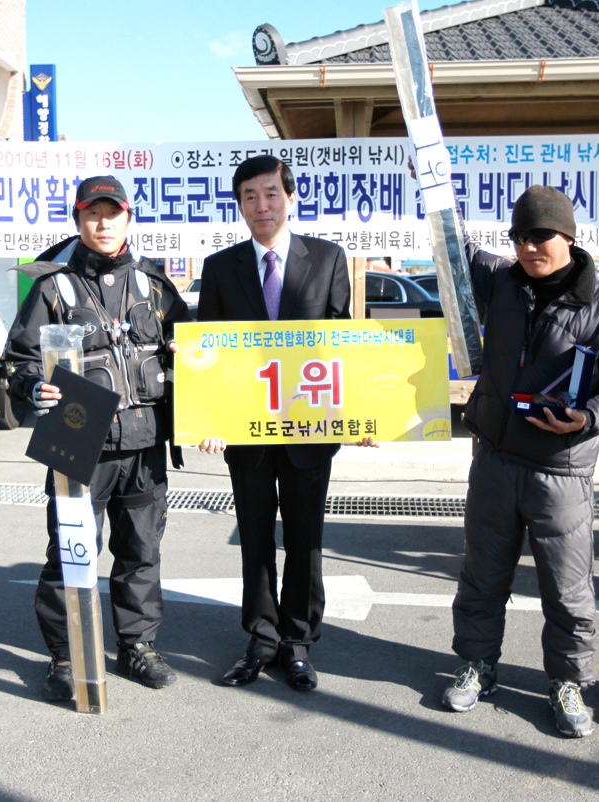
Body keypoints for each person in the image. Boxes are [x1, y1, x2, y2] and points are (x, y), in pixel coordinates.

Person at [442, 185, 599, 738]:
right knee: (482, 575)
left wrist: (587, 419)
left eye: (540, 235)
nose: (529, 247)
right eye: (519, 237)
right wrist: (432, 177)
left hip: (561, 470)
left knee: (567, 587)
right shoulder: (500, 282)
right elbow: (453, 245)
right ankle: (477, 663)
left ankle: (568, 681)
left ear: (568, 236)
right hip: (493, 458)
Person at [4, 176, 188, 702]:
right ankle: (68, 656)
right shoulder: (52, 286)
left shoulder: (155, 286)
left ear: (129, 218)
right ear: (78, 221)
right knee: (70, 555)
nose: (103, 223)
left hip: (146, 442)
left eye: (113, 213)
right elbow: (17, 360)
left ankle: (138, 646)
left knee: (142, 552)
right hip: (76, 439)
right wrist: (31, 385)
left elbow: (196, 352)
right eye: (92, 214)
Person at [196, 155, 373, 692]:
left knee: (305, 539)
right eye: (249, 196)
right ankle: (261, 638)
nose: (261, 205)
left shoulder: (327, 259)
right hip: (246, 432)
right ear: (240, 205)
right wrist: (210, 416)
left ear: (289, 198)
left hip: (309, 430)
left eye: (270, 193)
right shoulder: (221, 267)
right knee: (254, 538)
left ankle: (297, 641)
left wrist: (358, 415)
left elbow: (343, 344)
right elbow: (209, 351)